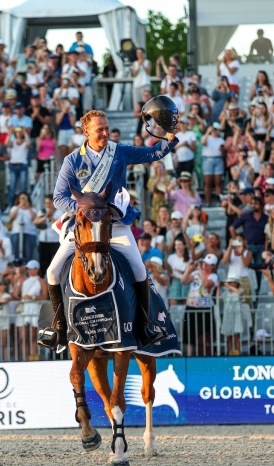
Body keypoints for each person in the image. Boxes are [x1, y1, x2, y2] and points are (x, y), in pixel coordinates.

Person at [47, 106, 179, 348]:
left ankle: (146, 325)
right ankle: (59, 328)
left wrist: (169, 137)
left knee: (139, 270)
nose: (106, 133)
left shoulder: (119, 152)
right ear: (86, 131)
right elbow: (58, 198)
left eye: (107, 128)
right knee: (52, 272)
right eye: (100, 130)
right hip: (85, 229)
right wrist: (82, 209)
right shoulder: (72, 160)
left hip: (114, 224)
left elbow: (152, 153)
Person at [181, 253, 219, 356]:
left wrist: (200, 271)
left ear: (213, 266)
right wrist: (189, 269)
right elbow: (184, 281)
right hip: (191, 307)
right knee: (189, 334)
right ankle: (189, 357)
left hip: (205, 309)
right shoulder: (196, 273)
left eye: (208, 264)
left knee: (204, 336)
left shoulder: (214, 276)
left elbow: (206, 284)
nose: (205, 265)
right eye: (204, 262)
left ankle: (204, 357)